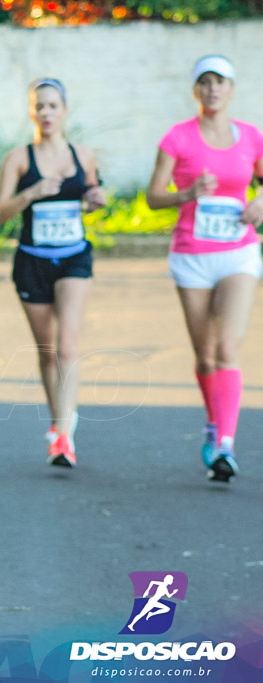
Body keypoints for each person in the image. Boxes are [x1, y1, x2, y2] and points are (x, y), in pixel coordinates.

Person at [146, 55, 263, 483]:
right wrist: (187, 194)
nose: (213, 89)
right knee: (205, 354)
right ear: (196, 90)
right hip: (192, 256)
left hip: (239, 253)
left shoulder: (251, 136)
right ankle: (213, 423)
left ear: (232, 89)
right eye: (205, 82)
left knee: (228, 347)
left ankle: (225, 446)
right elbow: (153, 196)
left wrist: (261, 203)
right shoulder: (177, 139)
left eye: (221, 82)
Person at [0, 78, 106, 468]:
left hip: (74, 257)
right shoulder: (18, 159)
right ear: (31, 112)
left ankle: (63, 434)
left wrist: (95, 200)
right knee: (47, 350)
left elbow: (93, 194)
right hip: (32, 261)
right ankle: (59, 424)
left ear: (64, 110)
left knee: (68, 346)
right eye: (39, 106)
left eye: (53, 105)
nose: (46, 112)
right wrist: (33, 192)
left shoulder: (83, 155)